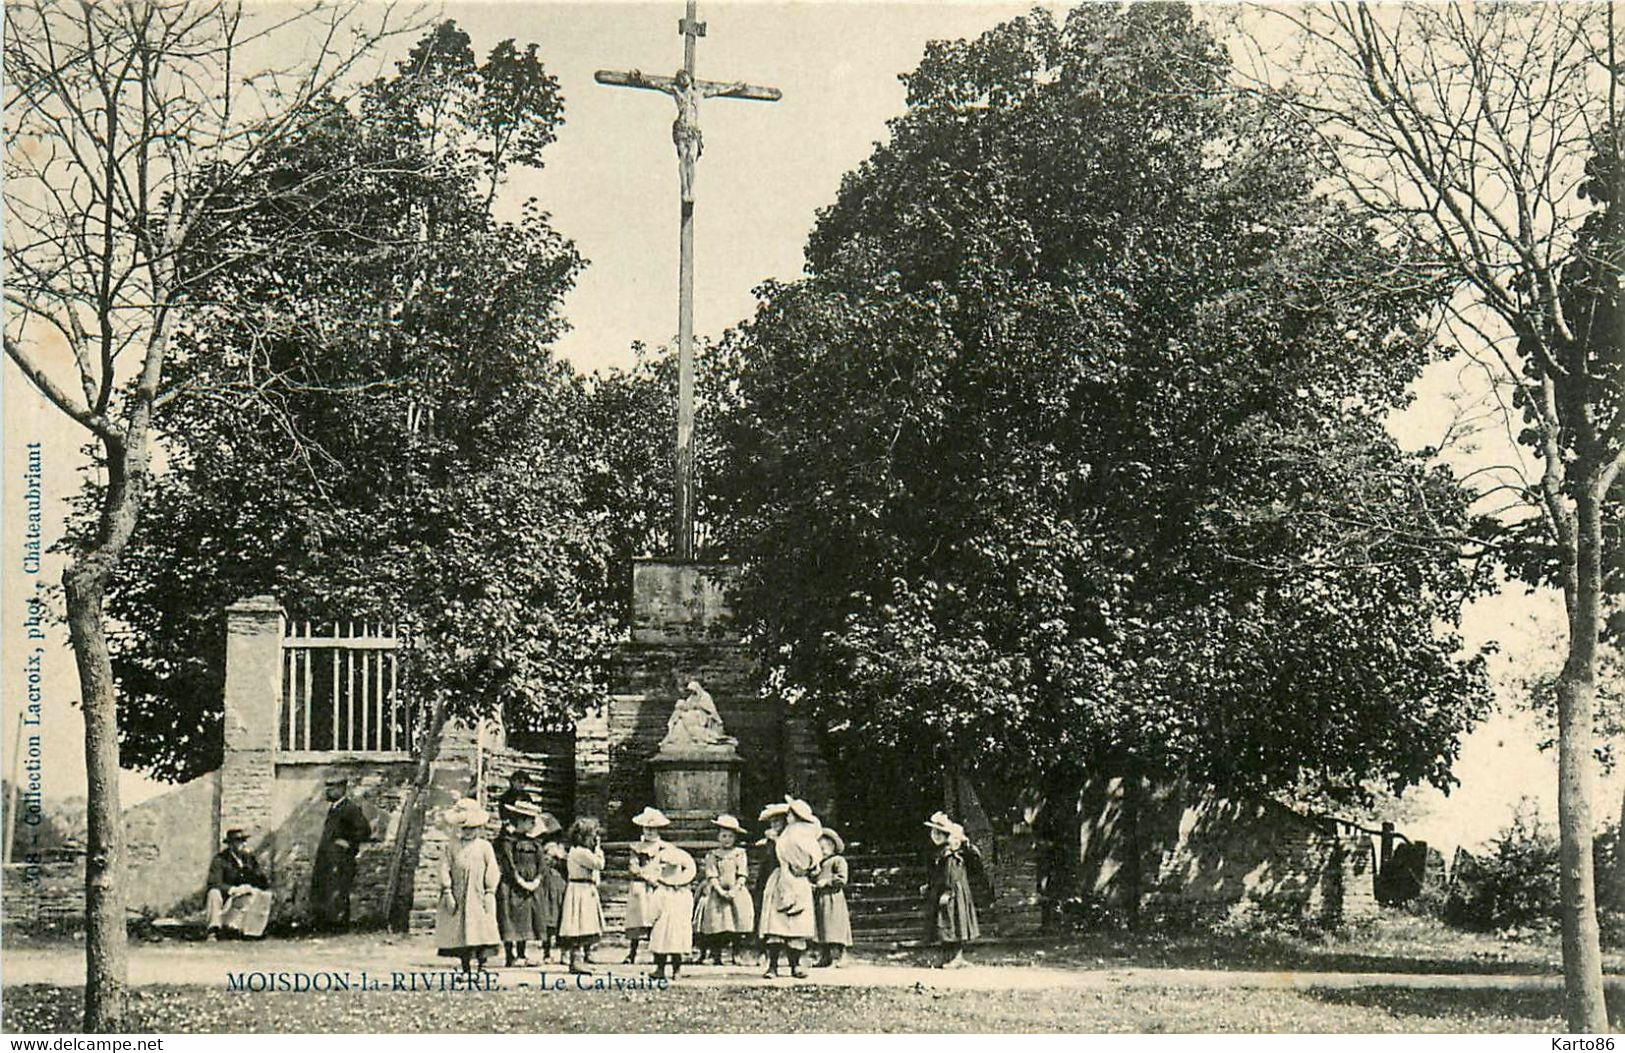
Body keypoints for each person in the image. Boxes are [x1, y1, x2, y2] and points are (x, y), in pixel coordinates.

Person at [435, 798, 502, 973]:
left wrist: (490, 891)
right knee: (461, 929)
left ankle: (482, 963)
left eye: (472, 829)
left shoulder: (484, 846)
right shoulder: (452, 846)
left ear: (479, 829)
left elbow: (492, 869)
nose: (468, 832)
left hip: (479, 894)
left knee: (482, 927)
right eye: (464, 829)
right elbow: (444, 867)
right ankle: (465, 965)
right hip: (459, 893)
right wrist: (447, 891)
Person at [758, 796, 821, 979]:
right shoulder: (775, 841)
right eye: (773, 821)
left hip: (799, 883)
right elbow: (768, 863)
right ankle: (773, 966)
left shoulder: (801, 837)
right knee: (775, 925)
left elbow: (812, 858)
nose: (777, 824)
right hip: (778, 882)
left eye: (781, 819)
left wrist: (808, 868)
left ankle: (795, 965)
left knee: (797, 926)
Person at [924, 812, 988, 968]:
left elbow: (952, 876)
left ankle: (957, 957)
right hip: (943, 891)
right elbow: (938, 874)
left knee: (955, 923)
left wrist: (948, 892)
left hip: (953, 893)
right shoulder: (940, 853)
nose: (935, 835)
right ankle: (947, 956)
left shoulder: (953, 855)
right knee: (944, 925)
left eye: (939, 832)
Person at [309, 776, 371, 932]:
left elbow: (364, 830)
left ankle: (339, 925)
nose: (327, 790)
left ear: (342, 788)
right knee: (327, 890)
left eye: (332, 787)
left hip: (341, 859)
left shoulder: (349, 808)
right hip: (328, 858)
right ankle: (327, 924)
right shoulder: (334, 808)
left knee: (338, 890)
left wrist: (349, 843)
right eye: (327, 787)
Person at [694, 813, 754, 965]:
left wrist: (735, 889)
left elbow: (742, 873)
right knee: (717, 924)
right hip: (717, 892)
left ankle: (736, 954)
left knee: (737, 923)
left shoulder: (740, 853)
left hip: (736, 892)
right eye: (724, 836)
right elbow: (711, 874)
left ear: (735, 838)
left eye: (730, 836)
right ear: (718, 837)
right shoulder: (713, 855)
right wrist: (719, 890)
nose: (726, 839)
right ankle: (716, 955)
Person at [494, 800, 548, 967]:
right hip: (512, 884)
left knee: (526, 918)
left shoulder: (534, 842)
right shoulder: (507, 841)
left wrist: (537, 879)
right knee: (509, 917)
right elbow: (508, 864)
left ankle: (522, 953)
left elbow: (541, 863)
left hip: (531, 884)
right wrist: (519, 880)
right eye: (530, 820)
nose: (533, 824)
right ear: (520, 820)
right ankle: (510, 955)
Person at [204, 828, 272, 940]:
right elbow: (214, 882)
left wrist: (252, 873)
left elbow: (262, 882)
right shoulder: (220, 859)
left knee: (261, 895)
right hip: (225, 896)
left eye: (244, 841)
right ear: (231, 844)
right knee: (213, 893)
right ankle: (213, 930)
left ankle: (246, 931)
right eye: (239, 841)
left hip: (242, 898)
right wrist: (233, 889)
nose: (243, 844)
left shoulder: (249, 859)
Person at [558, 816, 605, 975]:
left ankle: (580, 959)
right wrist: (598, 848)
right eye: (592, 836)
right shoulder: (580, 852)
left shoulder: (580, 851)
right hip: (580, 890)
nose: (595, 839)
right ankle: (575, 961)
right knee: (578, 925)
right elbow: (599, 864)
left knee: (585, 924)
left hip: (585, 889)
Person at [646, 839, 697, 981]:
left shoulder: (661, 891)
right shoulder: (685, 893)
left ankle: (661, 969)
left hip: (664, 925)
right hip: (679, 924)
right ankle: (676, 970)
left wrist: (652, 920)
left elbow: (654, 909)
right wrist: (687, 921)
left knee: (661, 948)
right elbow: (689, 909)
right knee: (676, 948)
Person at [623, 806, 667, 964]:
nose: (650, 832)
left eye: (653, 829)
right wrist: (646, 877)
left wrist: (660, 879)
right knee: (637, 919)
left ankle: (658, 955)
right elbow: (633, 867)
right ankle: (632, 953)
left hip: (657, 886)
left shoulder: (664, 847)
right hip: (641, 886)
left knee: (656, 919)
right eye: (647, 828)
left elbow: (668, 865)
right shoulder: (637, 848)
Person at [813, 827, 852, 968]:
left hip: (833, 898)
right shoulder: (819, 864)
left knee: (836, 927)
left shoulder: (838, 860)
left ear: (832, 846)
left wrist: (827, 882)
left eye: (824, 847)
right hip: (821, 899)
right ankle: (825, 957)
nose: (822, 851)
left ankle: (842, 956)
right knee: (822, 927)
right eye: (819, 848)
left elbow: (842, 879)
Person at [537, 813, 567, 962]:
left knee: (561, 917)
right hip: (546, 884)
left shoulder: (561, 849)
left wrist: (559, 858)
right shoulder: (539, 848)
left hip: (559, 884)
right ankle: (547, 951)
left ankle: (562, 951)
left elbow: (566, 865)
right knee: (548, 918)